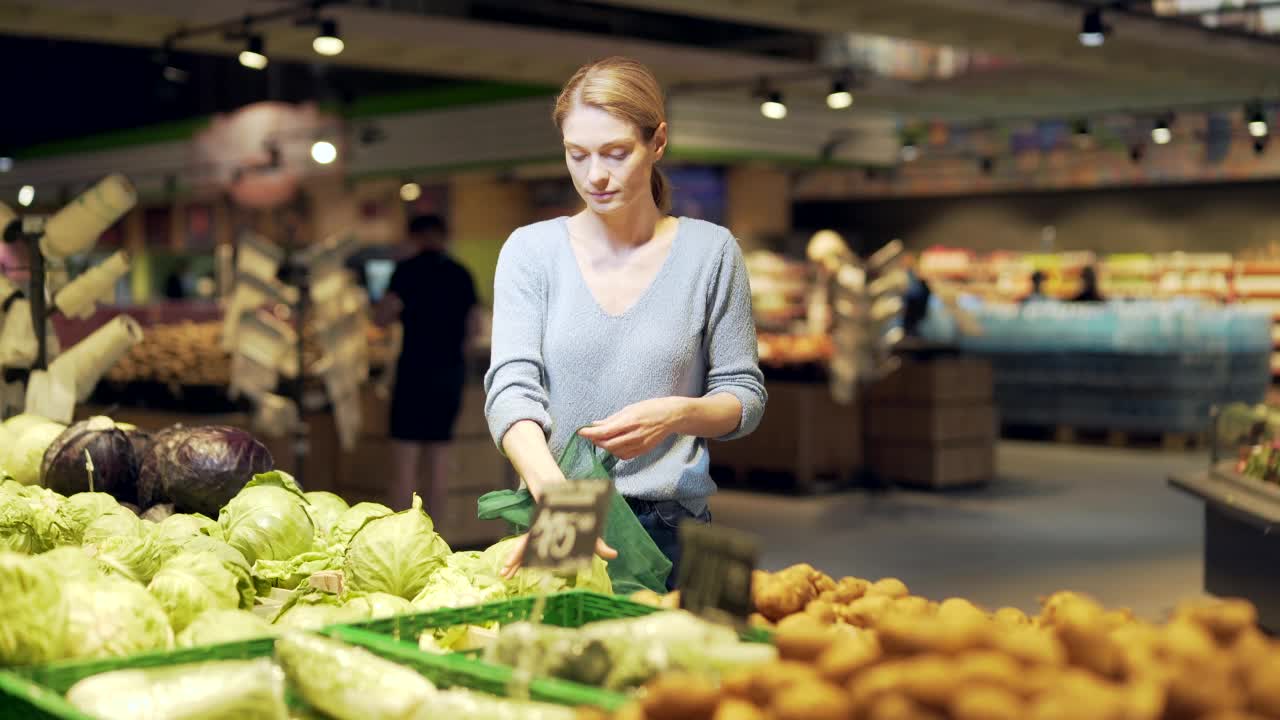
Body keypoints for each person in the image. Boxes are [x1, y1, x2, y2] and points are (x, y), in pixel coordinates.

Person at [485, 57, 767, 588]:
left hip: (673, 520)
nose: (595, 175)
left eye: (616, 153)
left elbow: (744, 395)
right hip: (561, 508)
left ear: (657, 142)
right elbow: (510, 393)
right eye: (577, 155)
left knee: (678, 669)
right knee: (568, 664)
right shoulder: (531, 252)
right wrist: (556, 499)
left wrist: (677, 414)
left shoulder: (711, 252)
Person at [375, 214, 480, 515]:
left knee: (404, 465)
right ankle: (436, 537)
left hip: (414, 374)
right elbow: (474, 328)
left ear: (415, 237)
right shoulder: (461, 273)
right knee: (439, 460)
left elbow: (382, 318)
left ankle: (401, 535)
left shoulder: (406, 271)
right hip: (449, 376)